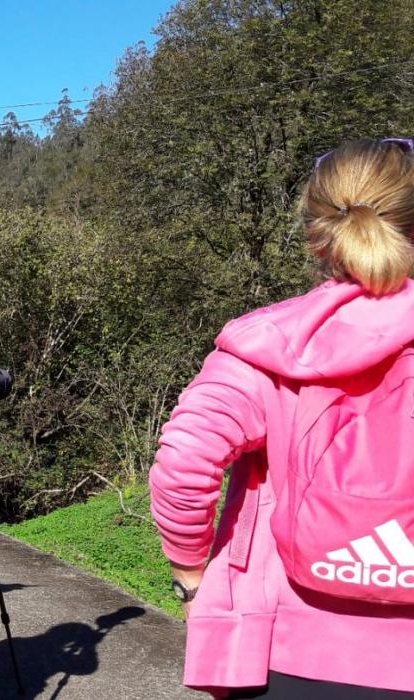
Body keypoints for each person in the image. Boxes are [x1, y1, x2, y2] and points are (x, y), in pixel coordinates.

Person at [150, 139, 414, 699]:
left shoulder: (266, 345)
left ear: (318, 236)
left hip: (282, 649)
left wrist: (191, 576)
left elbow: (184, 461)